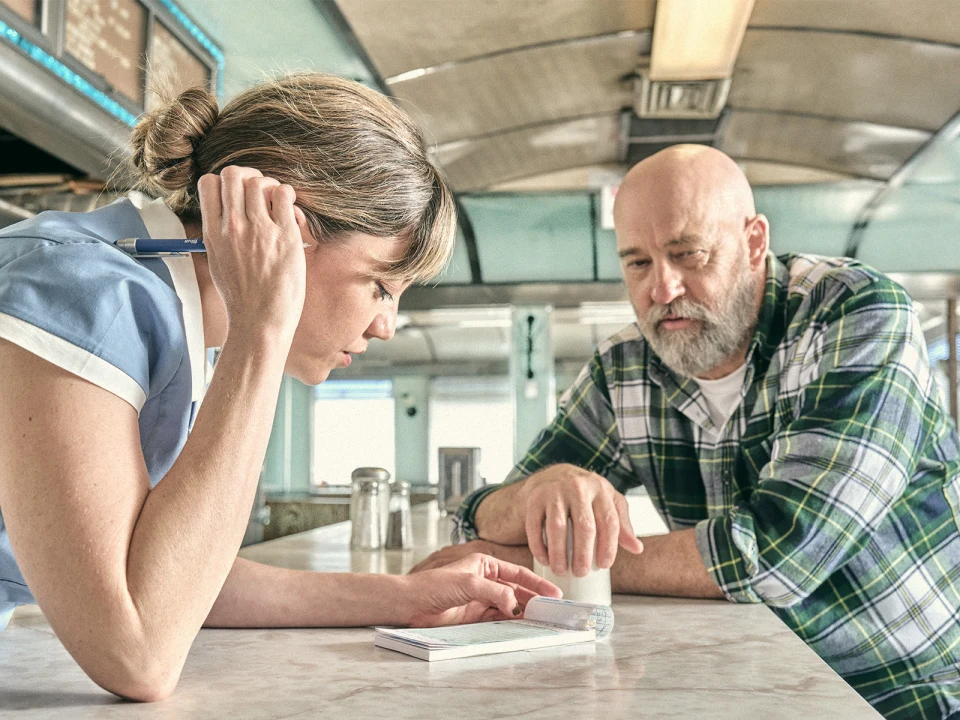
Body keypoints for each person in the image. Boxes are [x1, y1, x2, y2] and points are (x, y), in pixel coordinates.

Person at [0, 74, 558, 702]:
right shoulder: (80, 292)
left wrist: (403, 598)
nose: (386, 325)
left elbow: (172, 580)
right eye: (380, 285)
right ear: (284, 228)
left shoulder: (169, 321)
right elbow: (137, 652)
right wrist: (262, 324)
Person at [412, 145, 960, 719]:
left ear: (753, 242)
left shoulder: (856, 313)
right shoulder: (624, 365)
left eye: (688, 254)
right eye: (638, 263)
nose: (663, 289)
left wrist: (563, 556)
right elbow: (484, 514)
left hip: (907, 684)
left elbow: (779, 554)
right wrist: (538, 493)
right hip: (755, 678)